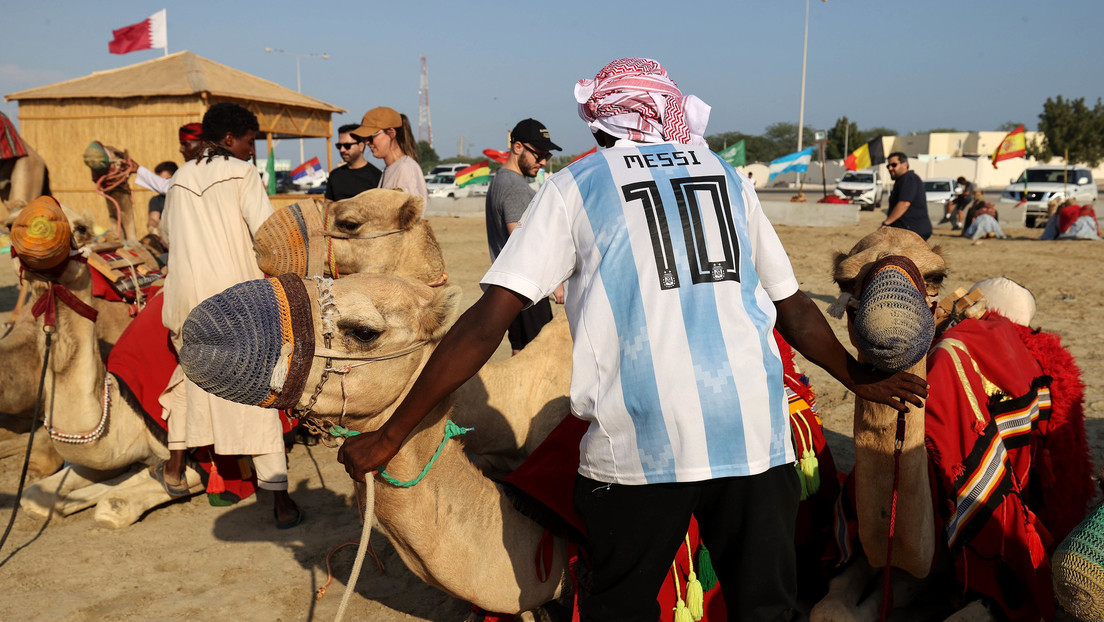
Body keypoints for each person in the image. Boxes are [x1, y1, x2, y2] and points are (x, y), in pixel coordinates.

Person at [337, 58, 927, 621]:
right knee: (766, 609)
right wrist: (855, 376)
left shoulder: (578, 186)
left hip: (641, 450)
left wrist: (392, 434)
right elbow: (792, 307)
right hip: (751, 436)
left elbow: (488, 320)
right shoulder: (727, 178)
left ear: (601, 121)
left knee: (618, 609)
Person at [158, 102, 302, 528]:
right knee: (257, 394)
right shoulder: (242, 174)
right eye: (249, 141)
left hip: (184, 301)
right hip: (234, 306)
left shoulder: (180, 178)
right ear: (228, 140)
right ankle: (279, 502)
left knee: (190, 379)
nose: (252, 151)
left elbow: (167, 236)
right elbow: (268, 235)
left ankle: (173, 469)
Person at [485, 118, 563, 354]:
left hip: (509, 289)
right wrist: (557, 285)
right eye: (537, 154)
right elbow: (524, 246)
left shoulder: (499, 179)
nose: (542, 161)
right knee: (539, 359)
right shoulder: (517, 188)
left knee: (519, 356)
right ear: (517, 147)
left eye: (546, 156)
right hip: (528, 291)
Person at [352, 106, 427, 204]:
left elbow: (406, 217)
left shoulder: (405, 168)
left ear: (391, 133)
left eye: (371, 137)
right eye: (364, 138)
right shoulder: (392, 168)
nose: (367, 142)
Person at [325, 123, 383, 202]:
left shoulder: (377, 177)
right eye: (339, 146)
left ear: (361, 146)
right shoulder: (334, 176)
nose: (342, 150)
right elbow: (327, 208)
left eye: (347, 146)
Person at [881, 152, 932, 240]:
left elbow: (904, 203)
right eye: (888, 166)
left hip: (912, 232)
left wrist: (886, 223)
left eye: (893, 165)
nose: (890, 168)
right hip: (906, 231)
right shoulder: (901, 180)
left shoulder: (909, 178)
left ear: (905, 165)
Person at [144, 161, 176, 235]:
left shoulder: (186, 196)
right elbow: (153, 218)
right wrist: (152, 226)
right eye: (159, 181)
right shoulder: (156, 200)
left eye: (166, 180)